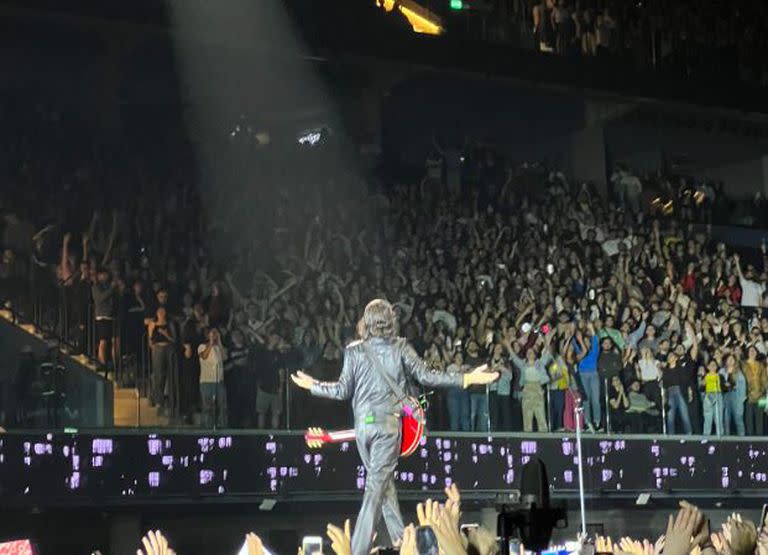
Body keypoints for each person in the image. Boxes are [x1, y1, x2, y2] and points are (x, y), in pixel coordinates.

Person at [290, 299, 497, 555]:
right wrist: (467, 378)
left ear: (367, 322)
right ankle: (357, 550)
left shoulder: (354, 350)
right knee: (375, 489)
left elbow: (342, 391)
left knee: (383, 486)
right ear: (390, 321)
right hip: (387, 428)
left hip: (363, 430)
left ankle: (401, 541)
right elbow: (426, 377)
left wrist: (313, 385)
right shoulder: (400, 347)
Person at [147, 307, 176, 412]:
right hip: (157, 348)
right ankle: (159, 400)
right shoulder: (152, 324)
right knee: (158, 374)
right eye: (159, 311)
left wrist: (166, 334)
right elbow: (150, 340)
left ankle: (171, 400)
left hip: (168, 348)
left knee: (170, 374)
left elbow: (174, 339)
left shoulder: (170, 324)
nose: (161, 313)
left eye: (163, 311)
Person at [198, 327, 227, 428]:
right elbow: (204, 356)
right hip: (206, 381)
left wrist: (219, 342)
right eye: (212, 333)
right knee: (208, 407)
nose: (214, 335)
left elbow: (225, 357)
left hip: (219, 381)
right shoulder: (202, 346)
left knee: (222, 406)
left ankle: (222, 427)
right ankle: (207, 427)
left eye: (216, 333)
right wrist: (210, 343)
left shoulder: (219, 347)